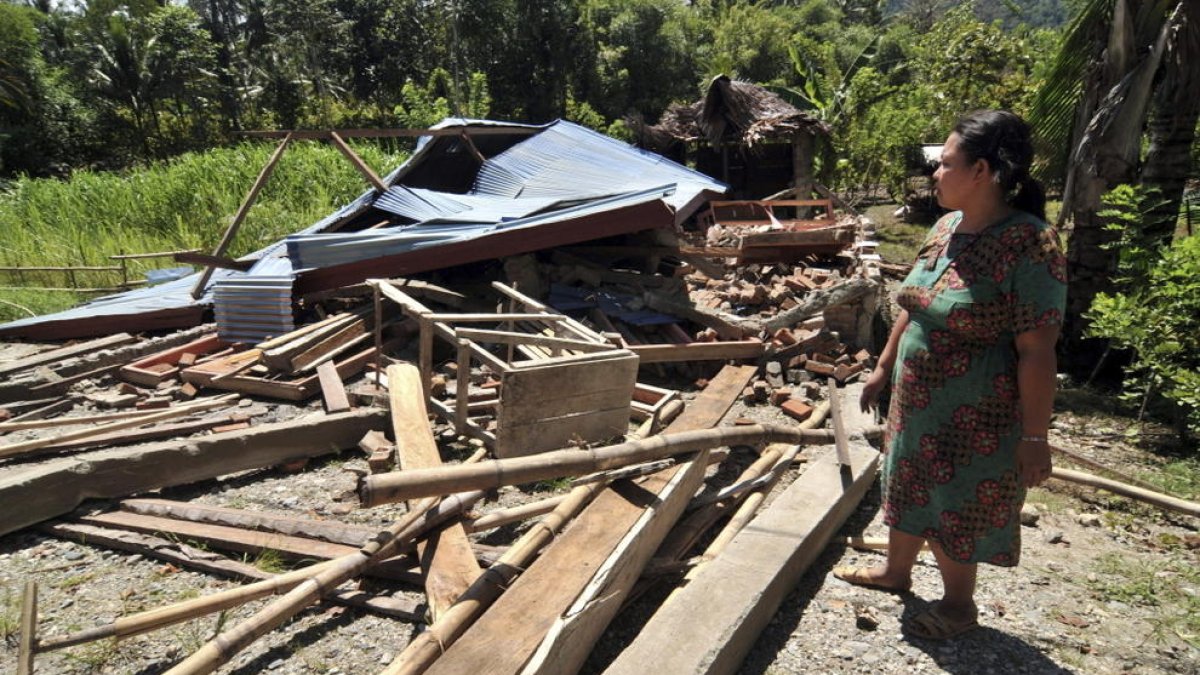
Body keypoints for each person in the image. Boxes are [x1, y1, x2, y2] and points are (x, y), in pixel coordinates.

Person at [833, 110, 1068, 640]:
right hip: (917, 403)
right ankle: (896, 573)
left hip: (976, 415)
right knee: (906, 482)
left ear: (981, 170)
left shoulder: (1031, 244)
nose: (935, 175)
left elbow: (1037, 351)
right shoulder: (944, 227)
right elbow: (915, 305)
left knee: (956, 502)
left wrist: (1035, 436)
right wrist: (883, 366)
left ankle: (959, 606)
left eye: (945, 164)